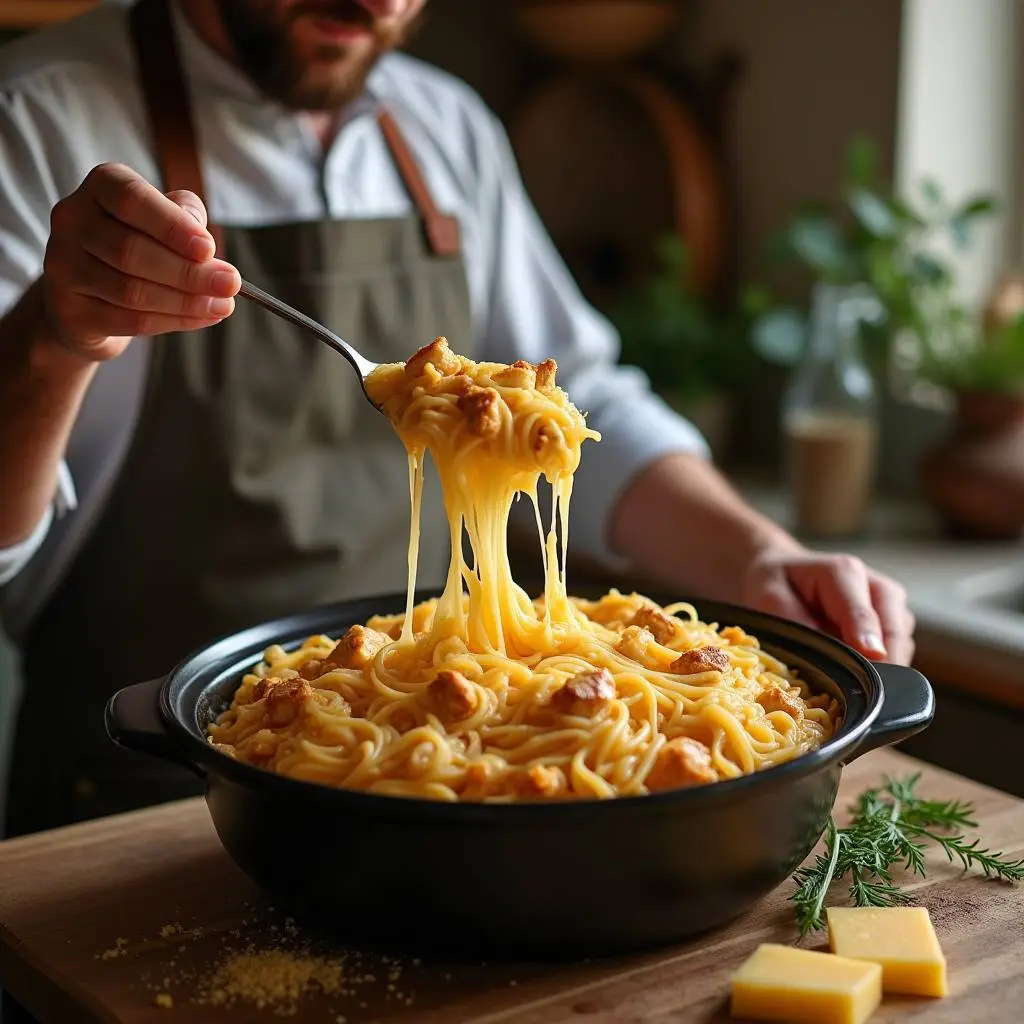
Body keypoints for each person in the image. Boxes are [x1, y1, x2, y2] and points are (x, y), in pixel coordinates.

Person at [0, 0, 914, 835]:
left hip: (440, 793)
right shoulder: (39, 117)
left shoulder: (444, 126)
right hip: (132, 795)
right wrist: (54, 335)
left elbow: (586, 412)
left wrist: (757, 552)